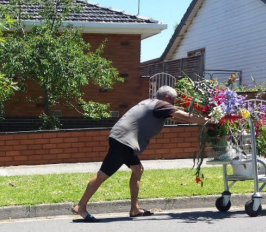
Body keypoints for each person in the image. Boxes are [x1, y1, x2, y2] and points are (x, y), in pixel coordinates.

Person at [71, 85, 207, 222]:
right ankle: (80, 206)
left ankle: (134, 209)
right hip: (124, 141)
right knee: (102, 174)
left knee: (137, 169)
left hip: (123, 139)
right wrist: (210, 120)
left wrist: (201, 120)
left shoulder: (152, 103)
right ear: (167, 98)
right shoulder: (161, 105)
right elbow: (185, 117)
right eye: (174, 100)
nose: (174, 103)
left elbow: (178, 118)